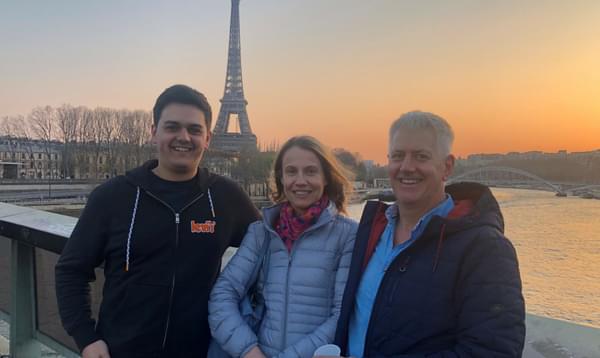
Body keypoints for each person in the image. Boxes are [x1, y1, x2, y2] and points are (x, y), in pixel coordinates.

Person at [55, 84, 260, 358]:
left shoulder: (226, 197)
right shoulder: (112, 196)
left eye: (194, 130)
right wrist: (87, 338)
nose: (183, 137)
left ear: (208, 138)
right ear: (153, 132)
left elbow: (271, 250)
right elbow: (70, 270)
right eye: (172, 127)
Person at [333, 111, 525, 357]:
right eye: (398, 156)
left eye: (421, 156)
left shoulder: (485, 248)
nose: (407, 167)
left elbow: (493, 351)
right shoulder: (371, 229)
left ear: (447, 167)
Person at [209, 135, 358, 358]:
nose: (300, 180)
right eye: (291, 171)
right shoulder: (261, 233)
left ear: (326, 177)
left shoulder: (348, 235)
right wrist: (248, 350)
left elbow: (341, 315)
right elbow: (223, 294)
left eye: (310, 171)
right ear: (281, 178)